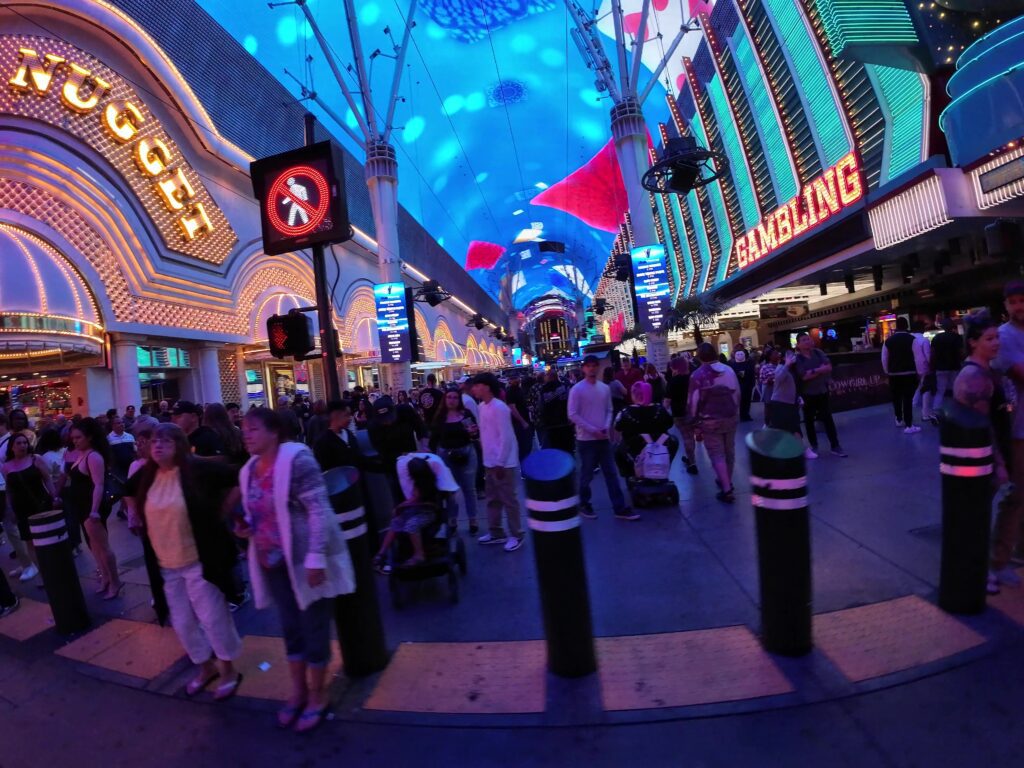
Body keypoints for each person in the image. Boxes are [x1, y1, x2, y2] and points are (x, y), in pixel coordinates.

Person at [236, 407, 356, 732]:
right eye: (243, 429)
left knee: (314, 625)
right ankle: (298, 691)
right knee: (291, 626)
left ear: (275, 431)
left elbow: (318, 508)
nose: (246, 435)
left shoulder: (298, 461)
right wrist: (247, 527)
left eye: (253, 429)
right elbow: (258, 511)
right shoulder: (248, 469)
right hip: (272, 562)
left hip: (304, 560)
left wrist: (316, 557)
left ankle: (318, 695)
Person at [134, 423, 243, 700]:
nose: (157, 446)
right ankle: (206, 667)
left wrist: (223, 511)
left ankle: (228, 670)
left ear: (180, 445)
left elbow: (240, 476)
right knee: (182, 622)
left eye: (166, 441)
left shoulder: (197, 470)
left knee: (213, 618)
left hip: (198, 561)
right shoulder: (148, 476)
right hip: (167, 566)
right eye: (154, 441)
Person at [569, 356, 636, 521]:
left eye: (594, 366)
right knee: (587, 474)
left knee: (611, 473)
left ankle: (619, 507)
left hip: (603, 438)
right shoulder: (577, 390)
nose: (591, 369)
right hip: (586, 440)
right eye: (588, 366)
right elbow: (572, 414)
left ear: (598, 368)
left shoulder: (604, 389)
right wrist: (593, 430)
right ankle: (584, 503)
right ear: (583, 368)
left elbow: (609, 410)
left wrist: (605, 427)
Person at [989, 281, 1024, 593]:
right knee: (1016, 496)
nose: (1018, 307)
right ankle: (999, 562)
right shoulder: (1004, 336)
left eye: (1022, 300)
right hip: (1017, 429)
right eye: (1012, 302)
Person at [66, 418, 121, 599]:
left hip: (91, 507)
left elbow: (98, 484)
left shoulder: (93, 456)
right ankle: (106, 577)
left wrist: (94, 510)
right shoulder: (83, 454)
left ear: (89, 437)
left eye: (78, 437)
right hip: (83, 506)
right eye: (73, 438)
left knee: (102, 546)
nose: (75, 441)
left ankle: (114, 581)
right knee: (94, 546)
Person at [471, 373, 525, 549]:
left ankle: (517, 535)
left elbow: (506, 437)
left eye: (477, 385)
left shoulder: (500, 408)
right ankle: (496, 532)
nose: (474, 389)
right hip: (489, 461)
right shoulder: (481, 407)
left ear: (486, 387)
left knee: (509, 499)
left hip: (503, 463)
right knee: (492, 499)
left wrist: (501, 462)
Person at [2, 432, 59, 582]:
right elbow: (9, 490)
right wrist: (10, 509)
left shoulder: (36, 459)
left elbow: (47, 479)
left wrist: (55, 497)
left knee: (46, 537)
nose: (23, 446)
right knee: (30, 541)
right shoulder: (6, 467)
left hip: (40, 503)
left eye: (25, 442)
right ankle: (44, 574)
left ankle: (54, 569)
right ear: (12, 447)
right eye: (19, 443)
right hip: (22, 508)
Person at [373, 457, 446, 569]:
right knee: (396, 522)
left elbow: (417, 500)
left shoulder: (428, 484)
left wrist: (400, 506)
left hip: (428, 513)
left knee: (410, 525)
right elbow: (414, 499)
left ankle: (419, 554)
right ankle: (382, 552)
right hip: (417, 510)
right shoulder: (420, 482)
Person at [690, 343, 741, 503]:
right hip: (730, 416)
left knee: (716, 453)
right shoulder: (729, 370)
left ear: (699, 357)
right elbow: (737, 393)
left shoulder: (697, 375)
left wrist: (695, 422)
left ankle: (726, 489)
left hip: (709, 420)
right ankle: (727, 480)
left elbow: (693, 402)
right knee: (729, 450)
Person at [429, 390, 479, 534]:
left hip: (466, 453)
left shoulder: (466, 415)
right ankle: (452, 519)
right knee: (450, 490)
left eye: (455, 397)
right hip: (446, 456)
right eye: (449, 397)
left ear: (459, 400)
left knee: (469, 489)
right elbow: (434, 439)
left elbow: (475, 434)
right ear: (445, 399)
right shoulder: (440, 418)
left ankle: (473, 519)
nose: (452, 400)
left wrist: (473, 432)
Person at [794, 333, 847, 457]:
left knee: (828, 418)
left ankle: (835, 445)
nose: (807, 341)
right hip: (808, 394)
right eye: (804, 340)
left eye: (808, 339)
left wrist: (814, 372)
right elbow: (804, 376)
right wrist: (819, 370)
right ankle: (814, 446)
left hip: (822, 391)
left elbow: (828, 367)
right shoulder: (798, 359)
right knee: (809, 420)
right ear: (799, 344)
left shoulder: (818, 352)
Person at [613, 380, 675, 479]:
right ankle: (667, 465)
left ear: (633, 394)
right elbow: (670, 423)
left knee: (617, 451)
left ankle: (628, 474)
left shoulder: (625, 412)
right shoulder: (660, 409)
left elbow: (617, 428)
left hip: (634, 449)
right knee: (674, 440)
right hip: (659, 447)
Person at [882, 317, 929, 434]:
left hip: (893, 374)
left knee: (896, 398)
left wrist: (887, 372)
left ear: (896, 326)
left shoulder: (888, 341)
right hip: (909, 374)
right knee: (907, 399)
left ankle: (898, 419)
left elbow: (884, 358)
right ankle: (909, 425)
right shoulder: (912, 340)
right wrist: (920, 372)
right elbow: (918, 358)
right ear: (906, 326)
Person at [768, 350, 810, 453]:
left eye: (793, 355)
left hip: (791, 403)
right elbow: (778, 378)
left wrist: (798, 396)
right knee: (784, 428)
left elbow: (796, 385)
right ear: (783, 358)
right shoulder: (781, 368)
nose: (792, 358)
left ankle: (801, 450)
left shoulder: (794, 370)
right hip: (780, 403)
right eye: (789, 356)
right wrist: (787, 364)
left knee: (794, 427)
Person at [666, 356, 697, 475]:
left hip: (679, 414)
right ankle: (691, 458)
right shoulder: (692, 378)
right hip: (694, 412)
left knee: (687, 437)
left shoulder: (673, 382)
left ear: (676, 368)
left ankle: (692, 463)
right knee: (691, 437)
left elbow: (667, 402)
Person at [313, 401, 363, 472]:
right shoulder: (322, 442)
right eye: (346, 415)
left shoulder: (349, 434)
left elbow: (359, 459)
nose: (350, 418)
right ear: (335, 416)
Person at [930, 318, 964, 416]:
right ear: (952, 327)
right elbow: (961, 352)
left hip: (940, 367)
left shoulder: (936, 338)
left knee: (940, 390)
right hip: (954, 366)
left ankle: (936, 410)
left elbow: (932, 354)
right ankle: (957, 410)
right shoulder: (957, 337)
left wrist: (932, 366)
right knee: (955, 388)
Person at [538, 368, 574, 453]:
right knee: (568, 449)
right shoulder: (565, 387)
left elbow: (541, 407)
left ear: (548, 377)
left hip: (551, 425)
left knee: (556, 450)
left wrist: (544, 420)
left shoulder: (543, 390)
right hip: (565, 422)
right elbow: (571, 403)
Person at [729, 349, 756, 422]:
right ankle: (741, 415)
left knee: (747, 401)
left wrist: (752, 383)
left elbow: (751, 373)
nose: (740, 356)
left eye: (741, 354)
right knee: (740, 401)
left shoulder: (748, 364)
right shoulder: (733, 365)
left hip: (747, 385)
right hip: (738, 386)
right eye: (738, 354)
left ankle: (746, 414)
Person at [759, 349, 779, 426]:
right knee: (768, 406)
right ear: (770, 357)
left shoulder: (781, 365)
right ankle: (767, 423)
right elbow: (761, 379)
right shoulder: (765, 367)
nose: (777, 355)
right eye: (775, 354)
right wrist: (768, 381)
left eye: (777, 353)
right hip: (769, 389)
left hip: (779, 389)